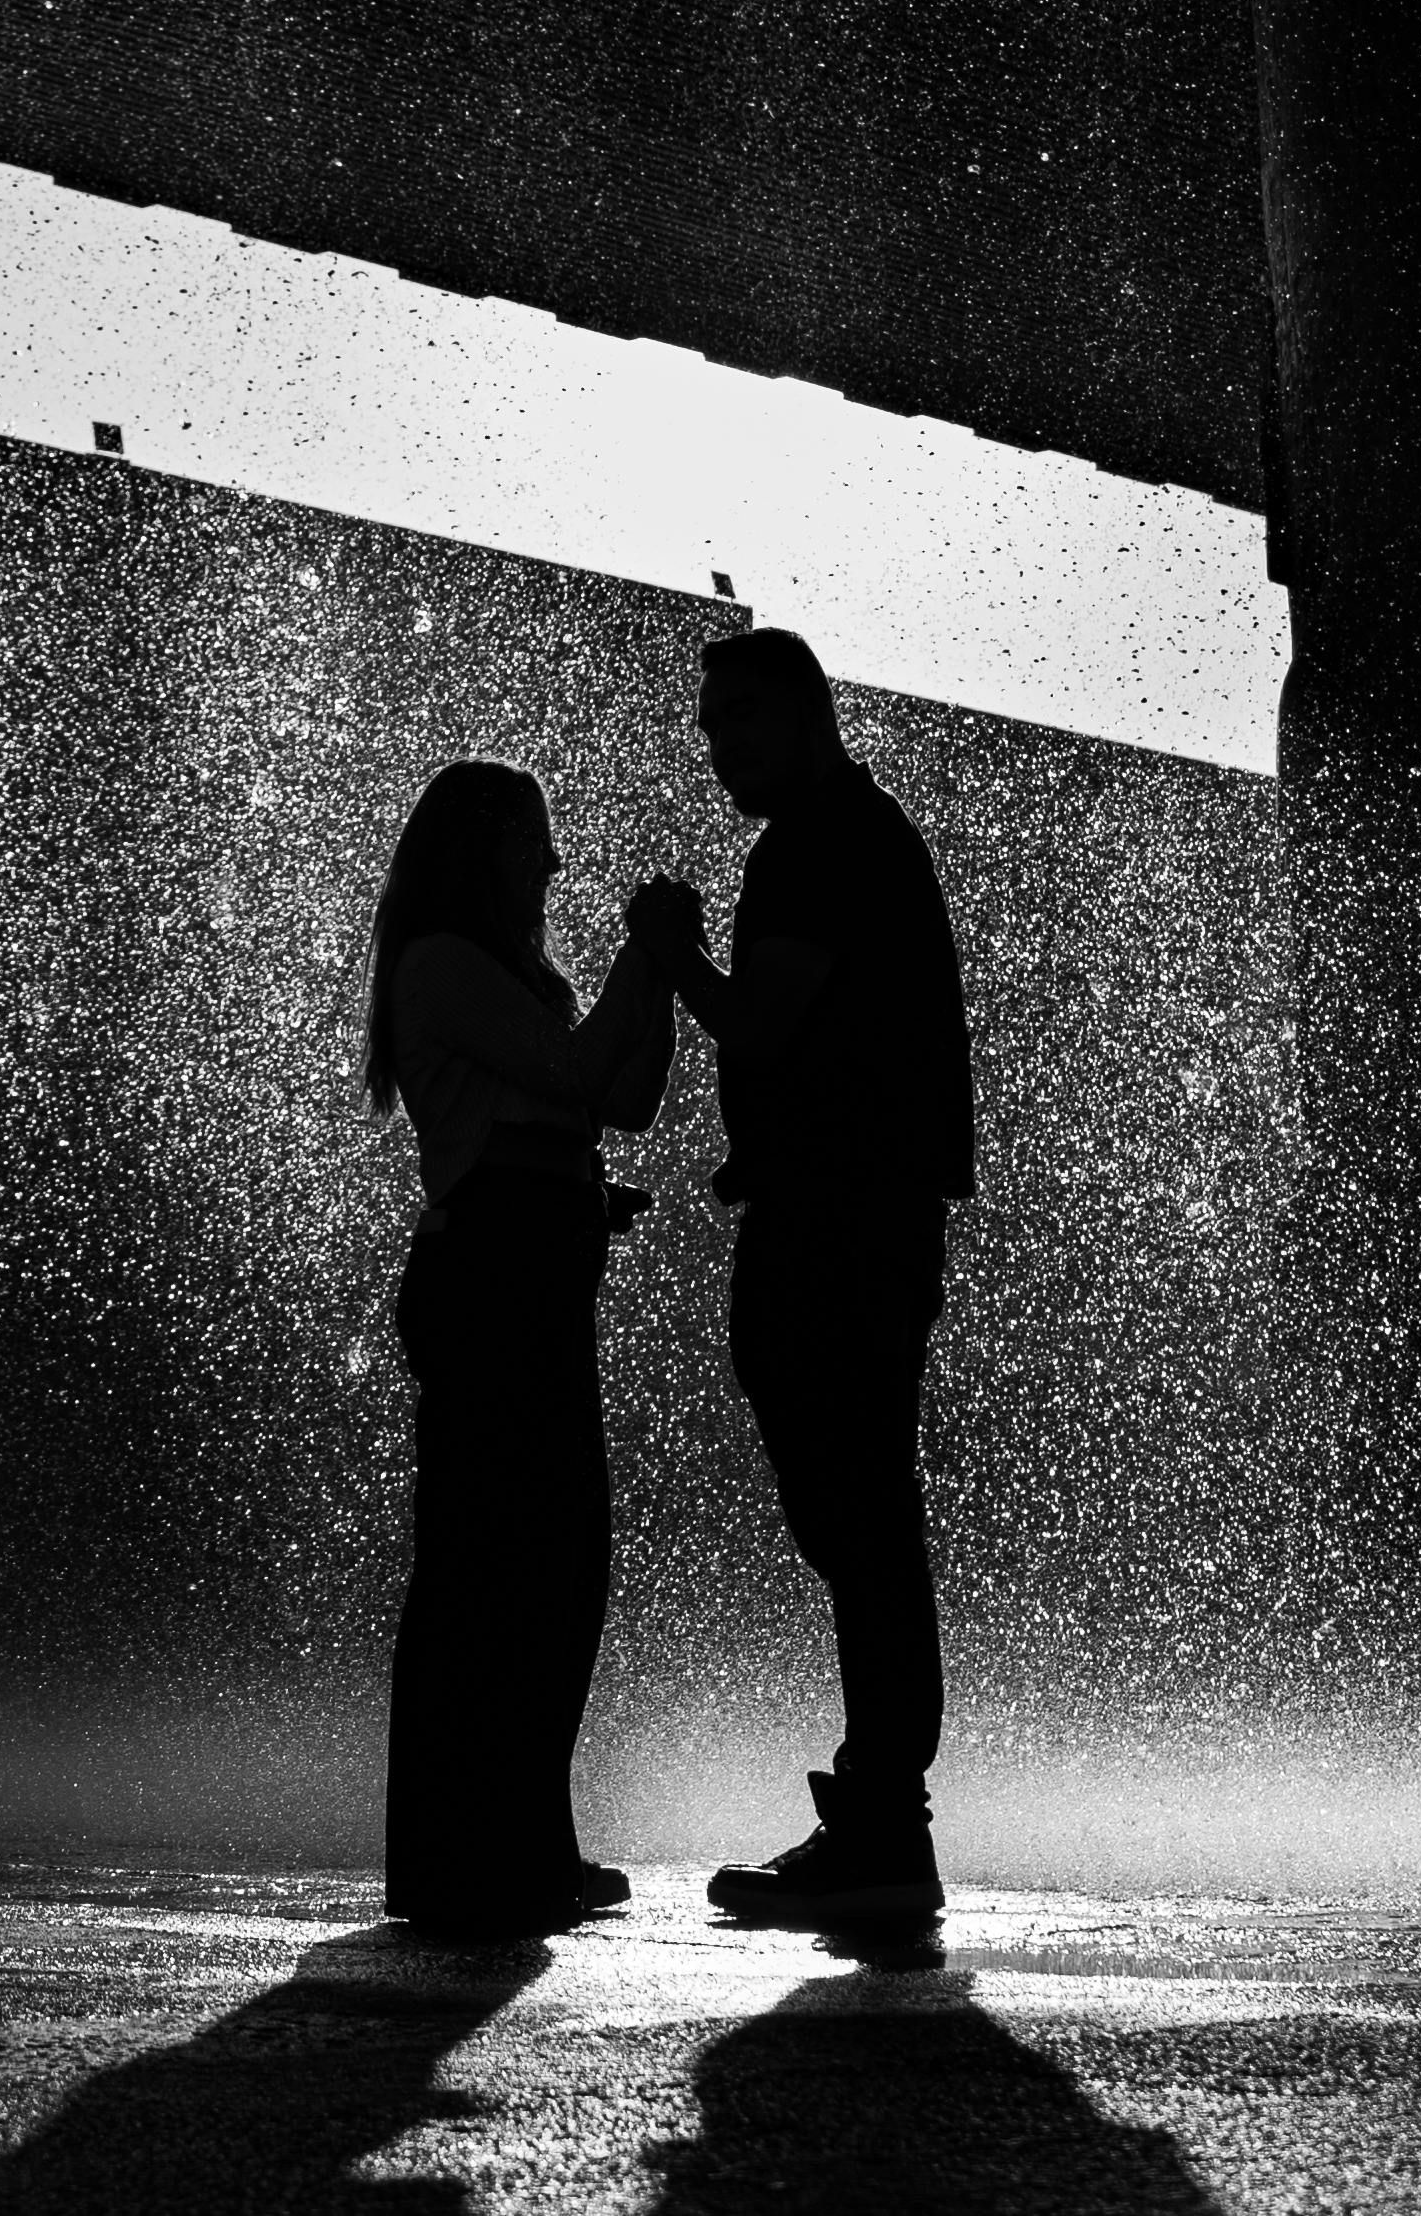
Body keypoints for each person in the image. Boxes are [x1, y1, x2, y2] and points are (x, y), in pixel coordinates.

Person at [640, 624, 976, 1920]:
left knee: (857, 1511)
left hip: (839, 1220)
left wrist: (669, 949)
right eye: (707, 724)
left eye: (733, 717)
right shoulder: (858, 833)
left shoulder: (815, 844)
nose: (713, 746)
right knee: (856, 1508)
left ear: (798, 712)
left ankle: (882, 1825)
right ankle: (882, 1818)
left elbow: (763, 1024)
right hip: (855, 1210)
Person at [365, 756, 676, 1934]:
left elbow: (624, 1099)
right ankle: (462, 1858)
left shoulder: (511, 978)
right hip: (490, 1281)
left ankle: (516, 1843)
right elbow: (589, 1074)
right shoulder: (441, 964)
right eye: (530, 838)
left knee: (549, 1565)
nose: (550, 861)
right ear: (480, 849)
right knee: (491, 1569)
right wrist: (645, 955)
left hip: (527, 1273)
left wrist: (652, 971)